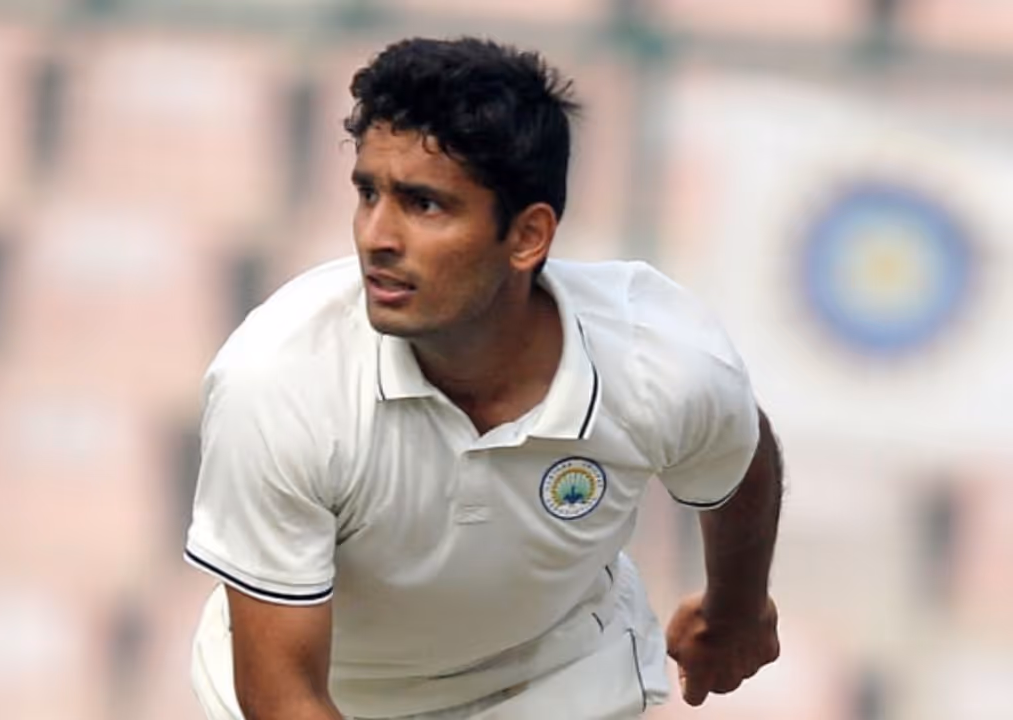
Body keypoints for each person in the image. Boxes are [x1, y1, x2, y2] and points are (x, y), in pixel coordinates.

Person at [183, 36, 782, 720]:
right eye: (368, 192)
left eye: (424, 204)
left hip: (553, 680)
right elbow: (283, 695)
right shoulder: (276, 381)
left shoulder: (660, 361)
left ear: (528, 236)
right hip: (331, 690)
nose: (376, 236)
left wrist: (735, 611)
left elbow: (739, 454)